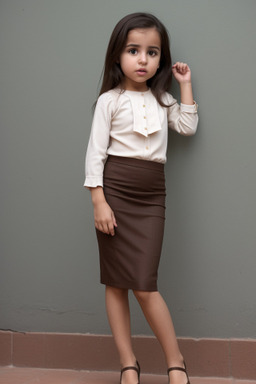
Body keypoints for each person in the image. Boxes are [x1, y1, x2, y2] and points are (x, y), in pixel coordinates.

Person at [84, 12, 198, 384]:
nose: (143, 59)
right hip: (114, 192)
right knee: (116, 282)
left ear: (160, 59)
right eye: (134, 50)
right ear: (118, 55)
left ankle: (176, 363)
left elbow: (187, 125)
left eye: (152, 52)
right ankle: (128, 366)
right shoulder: (109, 101)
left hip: (151, 196)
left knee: (145, 285)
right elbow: (95, 155)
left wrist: (185, 84)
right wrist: (99, 201)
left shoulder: (162, 99)